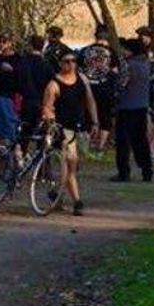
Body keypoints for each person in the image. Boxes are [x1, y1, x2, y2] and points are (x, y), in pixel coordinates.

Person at [40, 51, 98, 216]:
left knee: (75, 166)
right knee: (68, 164)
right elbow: (47, 108)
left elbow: (90, 100)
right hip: (64, 130)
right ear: (60, 63)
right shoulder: (54, 84)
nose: (71, 64)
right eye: (67, 61)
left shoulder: (82, 79)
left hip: (80, 128)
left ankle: (57, 194)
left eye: (74, 61)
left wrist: (95, 121)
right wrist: (51, 126)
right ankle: (77, 202)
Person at [113, 38, 154, 182]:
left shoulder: (128, 66)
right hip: (141, 106)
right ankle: (147, 169)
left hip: (126, 106)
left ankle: (123, 172)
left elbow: (121, 84)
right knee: (141, 140)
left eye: (125, 49)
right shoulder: (146, 64)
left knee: (123, 141)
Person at [79, 24, 117, 155]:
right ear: (107, 36)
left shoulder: (85, 50)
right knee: (105, 117)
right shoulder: (112, 52)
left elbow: (79, 70)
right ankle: (100, 147)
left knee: (87, 116)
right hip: (105, 89)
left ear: (95, 35)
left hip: (88, 87)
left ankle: (87, 145)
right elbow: (115, 71)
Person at [17, 34, 56, 143]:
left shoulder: (23, 62)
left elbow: (18, 82)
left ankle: (22, 152)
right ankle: (39, 153)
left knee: (25, 133)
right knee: (42, 134)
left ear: (30, 45)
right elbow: (53, 83)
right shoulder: (46, 65)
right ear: (42, 47)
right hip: (42, 102)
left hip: (27, 101)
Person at [0, 33, 21, 144]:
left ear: (10, 43)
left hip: (12, 94)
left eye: (4, 42)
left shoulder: (17, 58)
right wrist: (0, 64)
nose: (1, 44)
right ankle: (0, 142)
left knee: (10, 120)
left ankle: (12, 143)